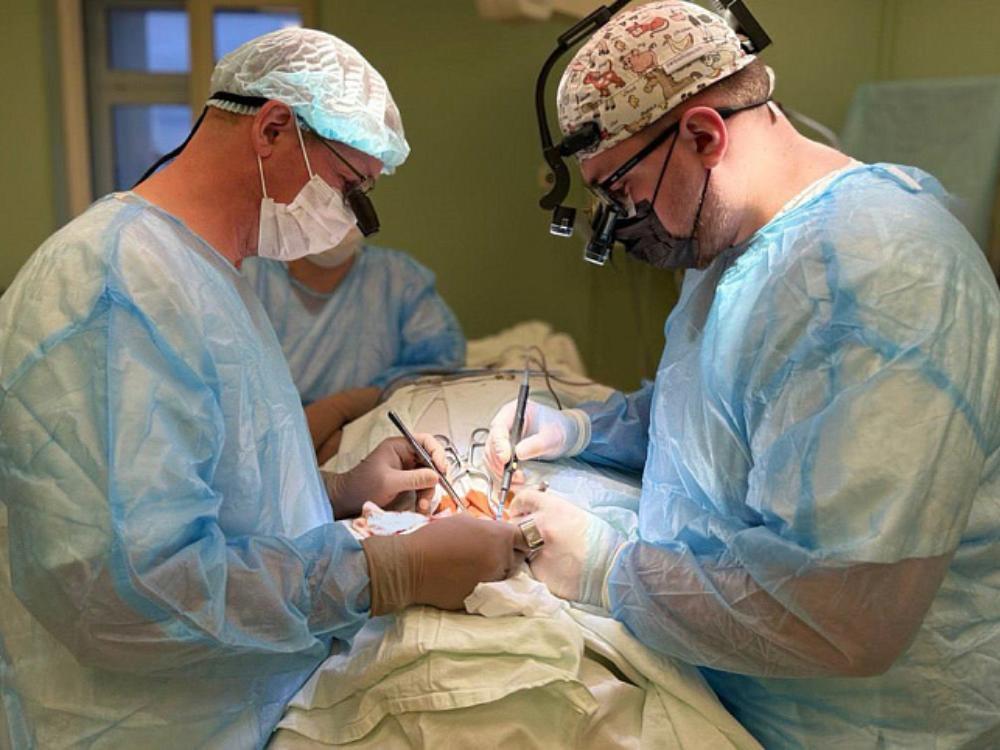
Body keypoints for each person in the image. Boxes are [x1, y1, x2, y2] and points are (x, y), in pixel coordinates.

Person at [486, 2, 1000, 747]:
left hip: (859, 728)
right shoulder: (736, 243)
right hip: (729, 686)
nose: (618, 222)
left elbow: (843, 616)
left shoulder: (880, 279)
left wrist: (605, 569)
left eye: (621, 191)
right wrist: (579, 431)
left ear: (704, 135)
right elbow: (716, 415)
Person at [0, 28, 521, 748]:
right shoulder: (115, 288)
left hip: (235, 699)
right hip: (148, 728)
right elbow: (132, 593)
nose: (350, 217)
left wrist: (337, 492)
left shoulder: (208, 273)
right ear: (273, 129)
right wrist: (384, 573)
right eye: (350, 189)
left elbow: (203, 484)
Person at [242, 230, 465, 465]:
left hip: (365, 429)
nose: (340, 219)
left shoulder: (397, 277)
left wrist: (344, 408)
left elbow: (439, 371)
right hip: (265, 452)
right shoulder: (250, 279)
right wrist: (304, 435)